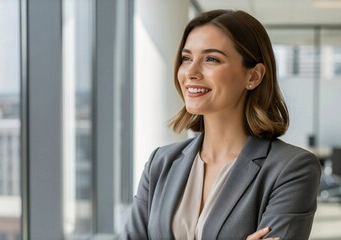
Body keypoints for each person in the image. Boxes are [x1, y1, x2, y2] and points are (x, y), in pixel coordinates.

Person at [121, 9, 321, 240]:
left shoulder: (291, 168)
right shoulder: (161, 163)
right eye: (187, 58)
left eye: (211, 59)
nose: (191, 72)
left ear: (254, 76)